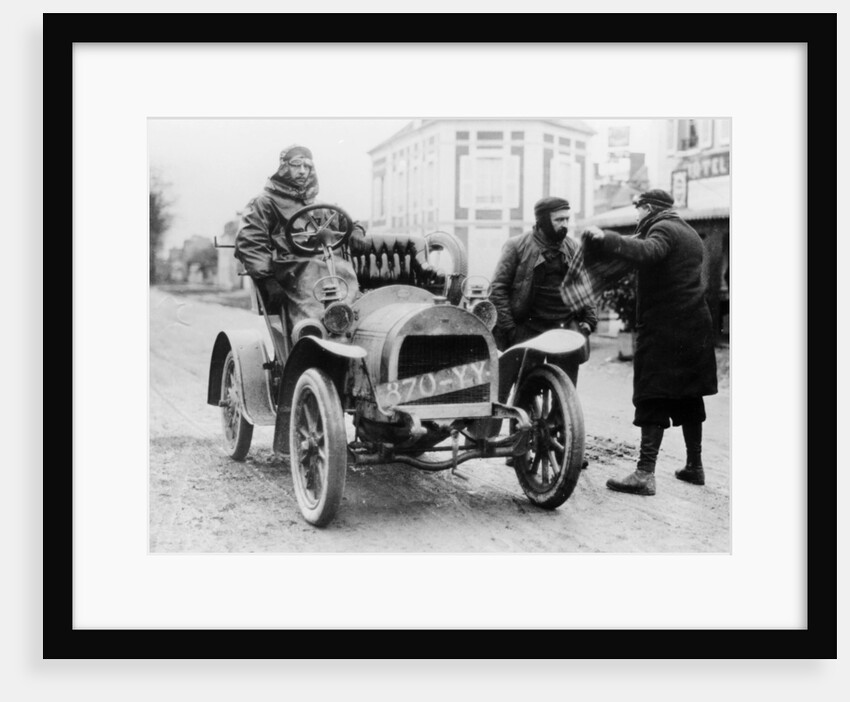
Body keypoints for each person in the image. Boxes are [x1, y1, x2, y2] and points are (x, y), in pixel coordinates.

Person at [583, 189, 718, 496]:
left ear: (648, 208)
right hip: (695, 325)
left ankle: (644, 474)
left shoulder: (663, 229)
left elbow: (648, 252)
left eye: (638, 210)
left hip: (665, 327)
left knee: (652, 393)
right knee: (689, 394)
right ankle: (694, 467)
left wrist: (608, 240)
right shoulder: (690, 234)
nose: (636, 216)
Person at [234, 144, 368, 329]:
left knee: (351, 293)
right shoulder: (264, 203)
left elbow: (348, 222)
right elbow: (250, 241)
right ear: (283, 167)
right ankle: (312, 336)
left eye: (308, 167)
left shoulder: (320, 206)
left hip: (330, 266)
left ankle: (351, 332)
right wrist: (267, 280)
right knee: (316, 301)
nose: (303, 171)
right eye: (296, 165)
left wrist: (356, 230)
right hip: (292, 269)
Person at [490, 196, 598, 387]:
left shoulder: (572, 247)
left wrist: (589, 320)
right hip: (528, 328)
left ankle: (558, 417)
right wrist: (510, 328)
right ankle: (518, 416)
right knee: (513, 388)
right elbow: (498, 289)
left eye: (566, 219)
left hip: (564, 328)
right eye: (558, 220)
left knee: (565, 390)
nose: (565, 225)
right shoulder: (516, 246)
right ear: (542, 221)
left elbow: (584, 286)